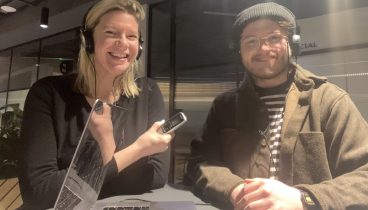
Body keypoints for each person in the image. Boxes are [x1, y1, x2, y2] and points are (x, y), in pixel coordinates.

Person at [185, 2, 368, 210]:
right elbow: (200, 162)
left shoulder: (330, 101)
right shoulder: (224, 106)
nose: (263, 49)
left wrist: (304, 198)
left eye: (274, 38)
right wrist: (233, 190)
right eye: (251, 41)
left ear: (293, 43)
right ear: (239, 50)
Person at [18, 0, 173, 209]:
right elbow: (40, 192)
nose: (123, 43)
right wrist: (137, 150)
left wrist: (84, 179)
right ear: (88, 40)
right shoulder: (48, 94)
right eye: (111, 33)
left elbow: (155, 176)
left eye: (132, 36)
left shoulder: (148, 92)